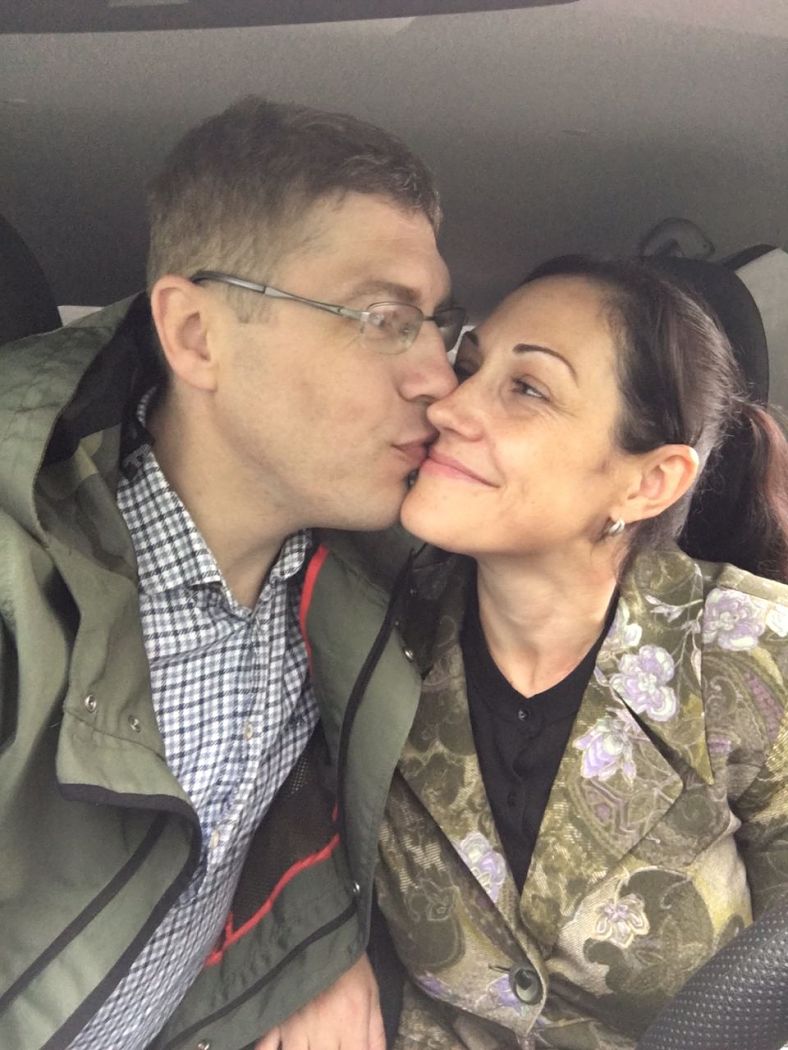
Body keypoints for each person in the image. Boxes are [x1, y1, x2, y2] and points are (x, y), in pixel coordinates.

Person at [0, 96, 465, 1050]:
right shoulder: (20, 607)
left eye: (435, 325)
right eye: (384, 318)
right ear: (197, 335)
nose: (440, 380)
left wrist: (317, 955)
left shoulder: (351, 593)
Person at [300, 257, 788, 1048]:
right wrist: (316, 957)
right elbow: (269, 803)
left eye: (528, 388)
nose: (449, 406)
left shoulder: (751, 653)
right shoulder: (367, 622)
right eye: (469, 367)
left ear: (648, 483)